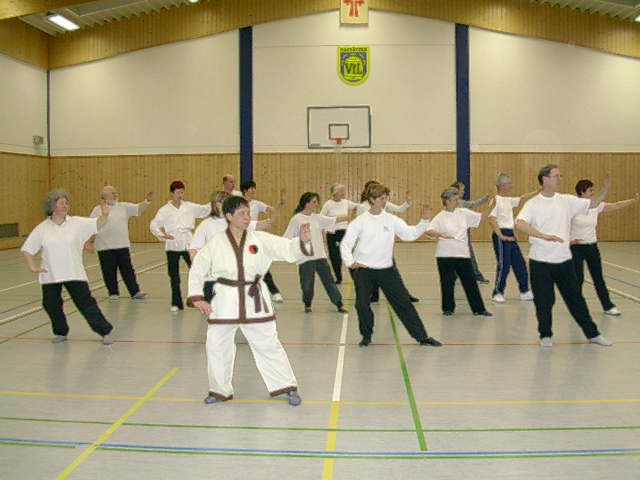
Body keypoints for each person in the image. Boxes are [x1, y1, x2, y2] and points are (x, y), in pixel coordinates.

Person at [187, 195, 313, 406]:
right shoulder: (216, 243)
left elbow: (286, 249)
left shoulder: (260, 239)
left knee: (268, 344)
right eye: (242, 213)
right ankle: (219, 390)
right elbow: (198, 268)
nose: (247, 217)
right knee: (216, 345)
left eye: (248, 213)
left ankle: (287, 387)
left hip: (254, 300)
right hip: (225, 300)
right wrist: (197, 297)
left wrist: (302, 241)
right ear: (228, 216)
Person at [515, 165, 612, 347]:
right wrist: (542, 235)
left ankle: (593, 334)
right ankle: (545, 334)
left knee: (576, 299)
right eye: (556, 176)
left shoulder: (566, 200)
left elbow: (593, 204)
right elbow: (519, 223)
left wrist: (605, 189)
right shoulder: (533, 204)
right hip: (540, 262)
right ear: (545, 179)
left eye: (560, 175)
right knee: (544, 301)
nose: (560, 179)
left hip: (564, 261)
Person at [340, 183, 442, 347]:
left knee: (403, 303)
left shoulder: (391, 219)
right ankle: (366, 336)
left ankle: (422, 337)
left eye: (386, 198)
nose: (385, 201)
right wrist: (350, 262)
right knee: (362, 305)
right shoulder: (360, 221)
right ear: (372, 199)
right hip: (364, 270)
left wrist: (424, 221)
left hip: (387, 270)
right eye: (382, 198)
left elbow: (409, 235)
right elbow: (346, 244)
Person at [21, 189, 114, 345]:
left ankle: (105, 331)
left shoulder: (77, 223)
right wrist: (32, 267)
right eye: (61, 203)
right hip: (50, 275)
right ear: (52, 206)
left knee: (86, 304)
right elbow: (27, 249)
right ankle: (60, 331)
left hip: (74, 272)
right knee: (51, 305)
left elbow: (97, 224)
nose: (65, 205)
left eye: (66, 202)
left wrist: (104, 215)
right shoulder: (42, 228)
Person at [571, 178, 639, 316]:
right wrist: (568, 240)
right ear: (582, 192)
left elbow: (616, 205)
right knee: (577, 279)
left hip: (592, 247)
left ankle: (608, 306)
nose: (593, 192)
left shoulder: (597, 206)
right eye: (590, 190)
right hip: (575, 248)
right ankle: (577, 307)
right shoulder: (572, 207)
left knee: (598, 278)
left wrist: (634, 200)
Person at [188, 191, 272, 302]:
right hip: (212, 280)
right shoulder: (206, 225)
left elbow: (259, 225)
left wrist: (271, 217)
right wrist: (201, 268)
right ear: (218, 205)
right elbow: (193, 250)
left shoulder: (236, 221)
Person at [426, 187, 494, 317]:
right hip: (445, 255)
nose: (458, 202)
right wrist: (441, 234)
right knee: (447, 283)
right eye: (455, 199)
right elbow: (429, 231)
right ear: (447, 201)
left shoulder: (463, 213)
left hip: (462, 254)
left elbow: (481, 218)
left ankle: (479, 309)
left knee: (470, 282)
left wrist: (491, 207)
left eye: (458, 199)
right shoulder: (440, 217)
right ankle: (448, 308)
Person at [150, 180, 211, 312]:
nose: (180, 195)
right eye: (178, 193)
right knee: (174, 276)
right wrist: (162, 235)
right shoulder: (164, 210)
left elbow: (205, 209)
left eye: (182, 192)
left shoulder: (189, 206)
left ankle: (203, 299)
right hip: (173, 243)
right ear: (171, 193)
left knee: (197, 270)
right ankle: (176, 303)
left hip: (188, 243)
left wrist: (217, 199)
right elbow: (154, 224)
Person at [356, 180, 419, 303]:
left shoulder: (384, 203)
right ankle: (373, 295)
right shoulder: (362, 207)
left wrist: (407, 202)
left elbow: (400, 209)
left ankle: (404, 295)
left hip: (383, 246)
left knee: (392, 271)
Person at [284, 192, 348, 313]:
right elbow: (287, 237)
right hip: (305, 257)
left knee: (329, 281)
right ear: (306, 203)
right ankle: (307, 303)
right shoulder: (296, 219)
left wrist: (348, 217)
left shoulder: (317, 217)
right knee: (307, 284)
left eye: (317, 201)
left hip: (320, 256)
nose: (316, 204)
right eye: (314, 202)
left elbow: (334, 220)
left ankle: (339, 303)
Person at [88, 185, 152, 300]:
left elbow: (138, 209)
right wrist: (88, 243)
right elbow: (90, 227)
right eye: (112, 193)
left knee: (128, 270)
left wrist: (147, 201)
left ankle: (135, 291)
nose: (115, 194)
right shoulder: (97, 210)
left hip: (122, 245)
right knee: (108, 271)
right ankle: (113, 292)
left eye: (115, 192)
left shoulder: (124, 207)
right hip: (104, 247)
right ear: (105, 196)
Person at [488, 174, 538, 303]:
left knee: (519, 263)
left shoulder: (509, 200)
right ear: (503, 185)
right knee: (504, 265)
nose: (511, 185)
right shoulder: (495, 200)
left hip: (510, 234)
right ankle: (497, 292)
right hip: (501, 234)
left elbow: (522, 198)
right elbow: (492, 219)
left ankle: (524, 291)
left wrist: (538, 191)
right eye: (509, 183)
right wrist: (500, 235)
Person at [240, 179, 286, 302]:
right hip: (239, 238)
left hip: (253, 239)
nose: (253, 191)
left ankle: (274, 292)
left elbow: (272, 210)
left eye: (254, 188)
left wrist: (281, 204)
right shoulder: (237, 203)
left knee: (261, 264)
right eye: (251, 189)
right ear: (245, 191)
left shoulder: (257, 204)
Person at [450, 181, 491, 284]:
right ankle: (475, 276)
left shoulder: (461, 202)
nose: (463, 191)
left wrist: (486, 198)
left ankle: (458, 275)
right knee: (467, 255)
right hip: (457, 234)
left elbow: (473, 204)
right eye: (462, 190)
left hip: (462, 233)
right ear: (456, 191)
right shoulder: (453, 203)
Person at [320, 183, 359, 284]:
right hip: (332, 234)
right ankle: (338, 277)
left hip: (344, 232)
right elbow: (321, 218)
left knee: (349, 254)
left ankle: (355, 277)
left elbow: (358, 206)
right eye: (341, 191)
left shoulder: (346, 202)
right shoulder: (328, 204)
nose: (343, 193)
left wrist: (352, 214)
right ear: (335, 192)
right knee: (335, 257)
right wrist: (328, 227)